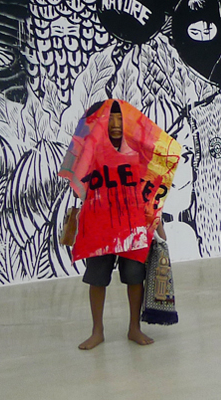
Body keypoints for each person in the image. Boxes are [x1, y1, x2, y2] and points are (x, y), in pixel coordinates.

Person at [58, 100, 182, 350]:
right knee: (97, 278)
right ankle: (97, 331)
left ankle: (134, 327)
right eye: (110, 118)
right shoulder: (91, 152)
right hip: (100, 225)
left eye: (120, 118)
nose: (115, 123)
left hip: (132, 225)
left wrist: (156, 220)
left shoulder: (138, 152)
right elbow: (79, 186)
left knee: (135, 276)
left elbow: (151, 188)